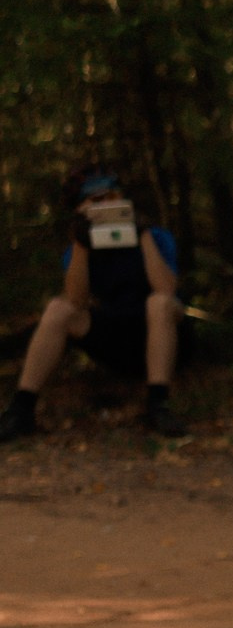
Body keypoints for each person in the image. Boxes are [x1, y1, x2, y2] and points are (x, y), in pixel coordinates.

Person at [0, 167, 188, 444]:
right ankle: (21, 409)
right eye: (96, 202)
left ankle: (159, 404)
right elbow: (76, 300)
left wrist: (142, 233)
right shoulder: (78, 248)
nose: (106, 206)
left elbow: (166, 290)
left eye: (111, 198)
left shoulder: (157, 237)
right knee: (57, 308)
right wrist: (81, 243)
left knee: (159, 303)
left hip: (163, 330)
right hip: (115, 334)